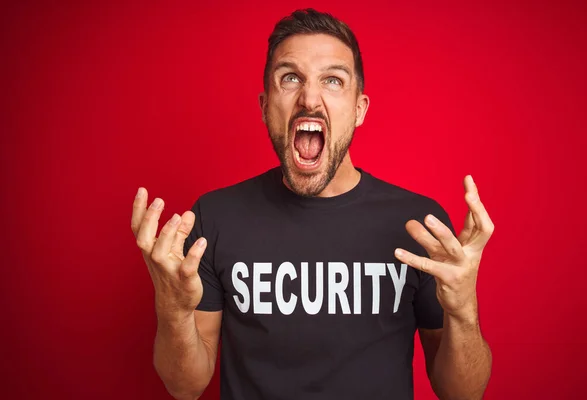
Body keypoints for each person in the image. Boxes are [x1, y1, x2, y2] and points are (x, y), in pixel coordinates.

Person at [131, 8, 494, 400]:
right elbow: (185, 387)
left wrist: (463, 310)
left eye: (333, 80)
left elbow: (463, 393)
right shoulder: (214, 219)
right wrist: (172, 310)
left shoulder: (420, 226)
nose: (309, 98)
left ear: (359, 109)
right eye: (290, 78)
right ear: (264, 105)